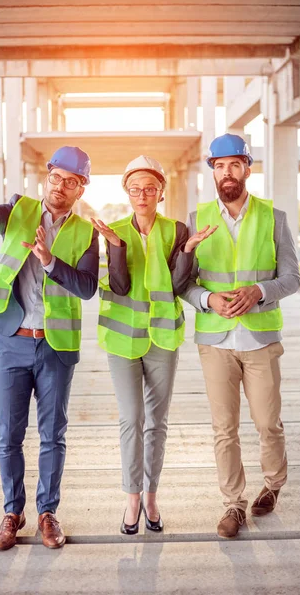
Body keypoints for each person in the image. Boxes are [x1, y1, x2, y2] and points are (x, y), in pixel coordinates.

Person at [0, 146, 99, 550]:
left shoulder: (87, 233)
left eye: (72, 182)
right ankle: (12, 512)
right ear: (47, 176)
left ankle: (47, 514)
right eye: (57, 177)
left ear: (81, 188)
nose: (61, 186)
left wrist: (52, 262)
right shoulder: (19, 210)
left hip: (56, 347)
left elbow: (87, 288)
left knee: (53, 435)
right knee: (8, 436)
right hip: (10, 342)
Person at [181, 133, 300, 538]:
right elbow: (184, 282)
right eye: (218, 166)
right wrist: (208, 298)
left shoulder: (274, 217)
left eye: (234, 164)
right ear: (211, 171)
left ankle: (273, 484)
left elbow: (292, 278)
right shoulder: (196, 221)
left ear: (248, 168)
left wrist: (260, 292)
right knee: (224, 428)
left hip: (261, 339)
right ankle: (233, 504)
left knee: (268, 423)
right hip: (215, 340)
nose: (226, 173)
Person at [91, 155, 216, 534]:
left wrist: (189, 249)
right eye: (135, 188)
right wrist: (114, 247)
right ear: (126, 192)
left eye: (149, 188)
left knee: (157, 422)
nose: (142, 194)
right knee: (132, 418)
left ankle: (151, 496)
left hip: (163, 336)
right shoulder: (111, 230)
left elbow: (179, 285)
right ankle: (131, 496)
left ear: (161, 192)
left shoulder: (177, 230)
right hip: (122, 339)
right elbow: (119, 286)